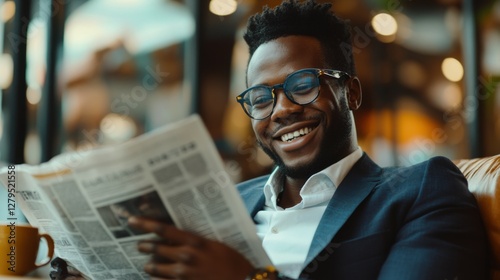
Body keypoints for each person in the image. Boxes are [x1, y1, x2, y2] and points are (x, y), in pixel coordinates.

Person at [52, 0, 489, 279]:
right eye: (261, 98)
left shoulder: (421, 190)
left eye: (302, 84)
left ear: (349, 92)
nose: (280, 110)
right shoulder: (224, 203)